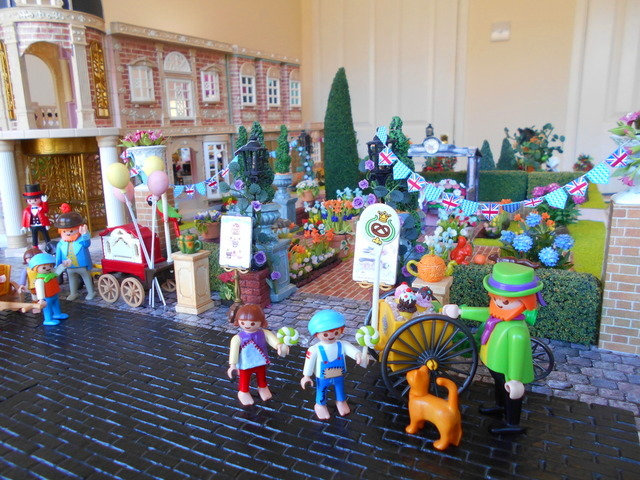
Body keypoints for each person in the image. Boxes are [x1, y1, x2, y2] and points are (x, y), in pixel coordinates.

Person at [442, 262, 544, 435]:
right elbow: (485, 313)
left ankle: (512, 423)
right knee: (499, 383)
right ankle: (500, 406)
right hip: (495, 362)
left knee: (509, 390)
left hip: (509, 369)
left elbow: (517, 356)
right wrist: (460, 311)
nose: (499, 304)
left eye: (505, 301)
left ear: (525, 301)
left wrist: (516, 379)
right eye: (495, 298)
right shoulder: (498, 315)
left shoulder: (517, 331)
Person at [300, 309, 369, 420]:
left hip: (339, 375)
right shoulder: (315, 349)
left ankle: (341, 402)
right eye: (325, 334)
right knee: (321, 391)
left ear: (341, 330)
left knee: (340, 390)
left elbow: (352, 351)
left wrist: (358, 355)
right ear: (317, 334)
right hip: (322, 377)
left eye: (336, 332)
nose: (331, 336)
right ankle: (320, 405)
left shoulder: (343, 345)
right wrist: (306, 376)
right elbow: (309, 362)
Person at [227, 304, 289, 406]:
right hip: (245, 363)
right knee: (244, 378)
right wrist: (232, 365)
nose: (247, 325)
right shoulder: (238, 338)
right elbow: (233, 351)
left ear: (261, 321)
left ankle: (263, 387)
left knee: (262, 376)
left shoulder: (264, 333)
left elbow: (272, 340)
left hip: (260, 360)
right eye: (243, 322)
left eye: (252, 323)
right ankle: (243, 391)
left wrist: (278, 346)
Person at [54, 204, 94, 301]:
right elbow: (58, 256)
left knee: (86, 277)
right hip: (69, 266)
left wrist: (85, 234)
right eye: (64, 231)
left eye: (71, 231)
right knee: (71, 279)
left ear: (78, 229)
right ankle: (73, 293)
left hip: (82, 265)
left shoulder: (81, 240)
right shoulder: (61, 244)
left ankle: (91, 292)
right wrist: (57, 265)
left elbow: (87, 244)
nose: (68, 233)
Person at [29, 253, 71, 326]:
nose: (48, 268)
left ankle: (57, 314)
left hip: (54, 294)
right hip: (47, 297)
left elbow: (57, 271)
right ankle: (48, 319)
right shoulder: (40, 280)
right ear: (36, 268)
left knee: (56, 304)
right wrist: (41, 299)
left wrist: (63, 265)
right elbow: (39, 290)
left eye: (50, 266)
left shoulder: (52, 274)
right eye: (44, 268)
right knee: (47, 308)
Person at [21, 183, 51, 247]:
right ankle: (35, 247)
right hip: (33, 225)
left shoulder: (41, 208)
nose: (33, 202)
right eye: (30, 200)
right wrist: (24, 226)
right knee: (34, 237)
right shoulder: (26, 210)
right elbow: (25, 219)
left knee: (46, 235)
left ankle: (49, 246)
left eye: (35, 200)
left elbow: (46, 210)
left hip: (42, 224)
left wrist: (44, 202)